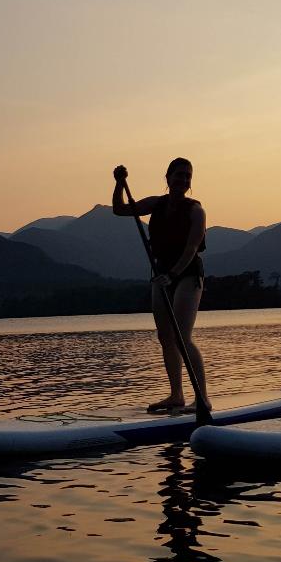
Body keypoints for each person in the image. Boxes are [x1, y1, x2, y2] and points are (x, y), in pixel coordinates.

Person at [112, 158, 210, 413]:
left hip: (187, 274)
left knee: (181, 336)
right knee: (165, 336)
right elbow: (120, 210)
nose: (183, 180)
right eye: (178, 175)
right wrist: (120, 183)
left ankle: (203, 399)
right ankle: (176, 395)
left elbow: (191, 249)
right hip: (161, 274)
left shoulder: (196, 210)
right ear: (167, 178)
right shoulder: (156, 203)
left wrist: (174, 274)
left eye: (188, 177)